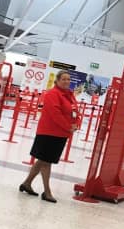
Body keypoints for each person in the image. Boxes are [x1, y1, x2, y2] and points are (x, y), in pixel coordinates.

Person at [19, 70, 79, 203]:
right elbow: (55, 114)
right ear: (56, 80)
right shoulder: (52, 94)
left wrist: (76, 124)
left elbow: (75, 111)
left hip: (61, 134)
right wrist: (68, 126)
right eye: (63, 79)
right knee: (46, 162)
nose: (67, 81)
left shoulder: (69, 95)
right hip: (49, 133)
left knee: (42, 160)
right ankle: (47, 192)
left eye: (68, 79)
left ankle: (27, 183)